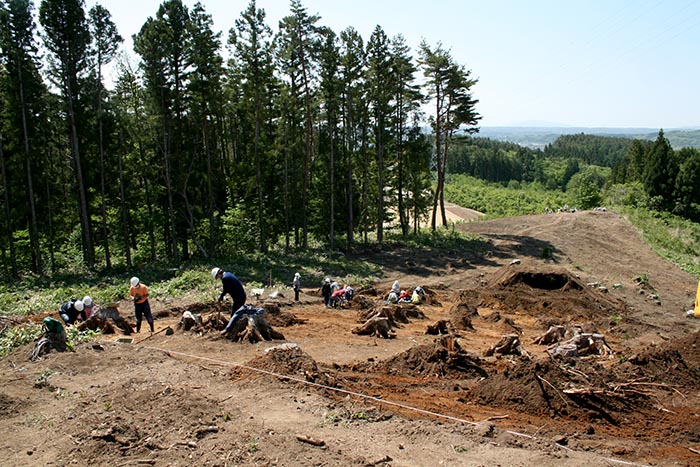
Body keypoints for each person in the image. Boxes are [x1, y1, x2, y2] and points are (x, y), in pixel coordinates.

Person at [211, 267, 247, 335]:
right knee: (237, 314)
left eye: (217, 277)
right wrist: (222, 295)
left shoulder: (225, 278)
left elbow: (226, 289)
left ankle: (232, 331)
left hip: (239, 298)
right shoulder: (228, 274)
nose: (219, 278)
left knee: (234, 316)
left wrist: (221, 295)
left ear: (219, 274)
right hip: (240, 297)